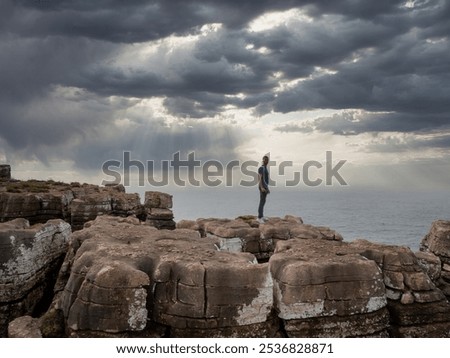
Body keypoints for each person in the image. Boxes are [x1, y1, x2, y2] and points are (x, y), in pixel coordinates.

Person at [257, 155, 270, 223]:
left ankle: (262, 215)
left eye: (267, 160)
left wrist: (267, 188)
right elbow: (259, 178)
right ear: (263, 160)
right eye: (265, 160)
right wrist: (261, 187)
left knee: (263, 201)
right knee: (262, 201)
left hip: (265, 186)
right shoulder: (261, 168)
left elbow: (265, 179)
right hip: (262, 187)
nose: (266, 161)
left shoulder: (265, 168)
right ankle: (259, 217)